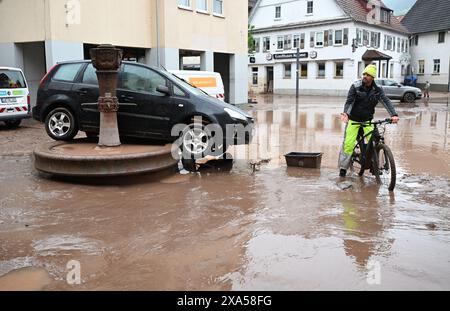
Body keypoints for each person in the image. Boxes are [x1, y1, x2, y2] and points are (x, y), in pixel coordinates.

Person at [338, 64, 399, 177]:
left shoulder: (377, 90)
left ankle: (372, 165)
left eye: (368, 75)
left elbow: (386, 101)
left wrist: (394, 114)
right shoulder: (355, 86)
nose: (365, 76)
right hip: (354, 120)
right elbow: (349, 101)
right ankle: (343, 169)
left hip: (367, 120)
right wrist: (346, 113)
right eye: (364, 74)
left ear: (373, 77)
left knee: (375, 140)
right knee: (348, 144)